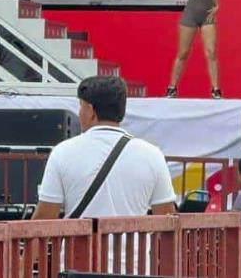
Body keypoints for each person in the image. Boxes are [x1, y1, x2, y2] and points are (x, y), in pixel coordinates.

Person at [32, 75, 177, 219]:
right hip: (132, 242)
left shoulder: (62, 152)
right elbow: (166, 217)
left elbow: (44, 218)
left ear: (90, 110)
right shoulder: (152, 154)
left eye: (81, 106)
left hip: (80, 242)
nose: (80, 113)